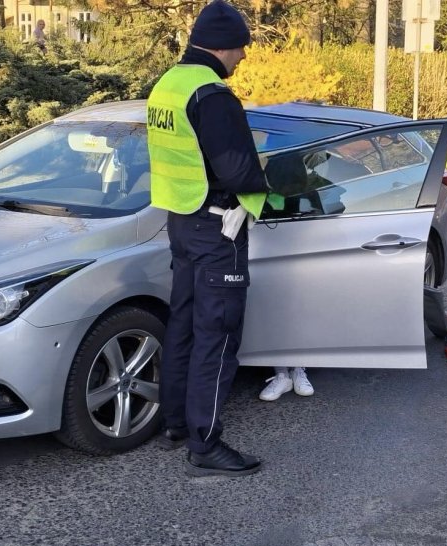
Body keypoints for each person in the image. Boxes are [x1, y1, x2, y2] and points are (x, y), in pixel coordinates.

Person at [147, 0, 272, 477]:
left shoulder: (168, 85)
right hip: (218, 225)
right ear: (223, 44)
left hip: (181, 221)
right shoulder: (212, 94)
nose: (243, 57)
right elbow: (238, 169)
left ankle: (176, 422)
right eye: (241, 47)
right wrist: (269, 186)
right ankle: (206, 443)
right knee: (217, 334)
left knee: (184, 324)